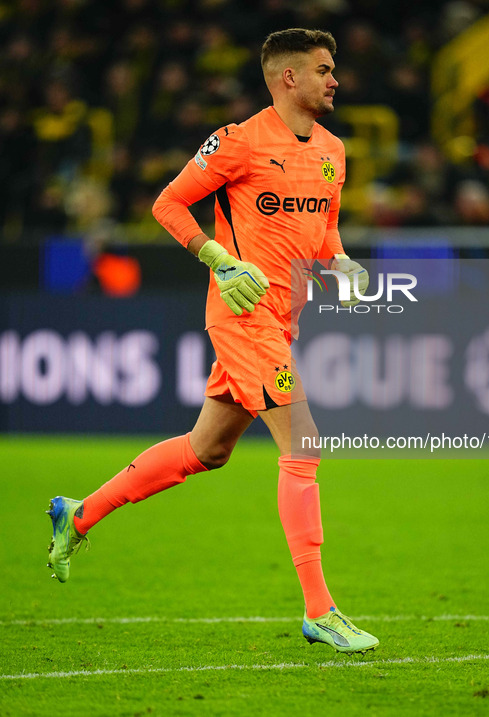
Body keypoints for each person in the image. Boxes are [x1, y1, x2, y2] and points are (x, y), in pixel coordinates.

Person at [46, 28, 377, 655]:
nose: (334, 80)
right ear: (288, 78)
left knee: (207, 450)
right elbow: (169, 204)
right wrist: (220, 260)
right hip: (243, 316)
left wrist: (344, 265)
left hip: (283, 320)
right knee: (303, 444)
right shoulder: (238, 142)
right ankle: (320, 609)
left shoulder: (333, 150)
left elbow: (325, 233)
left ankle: (79, 512)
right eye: (324, 69)